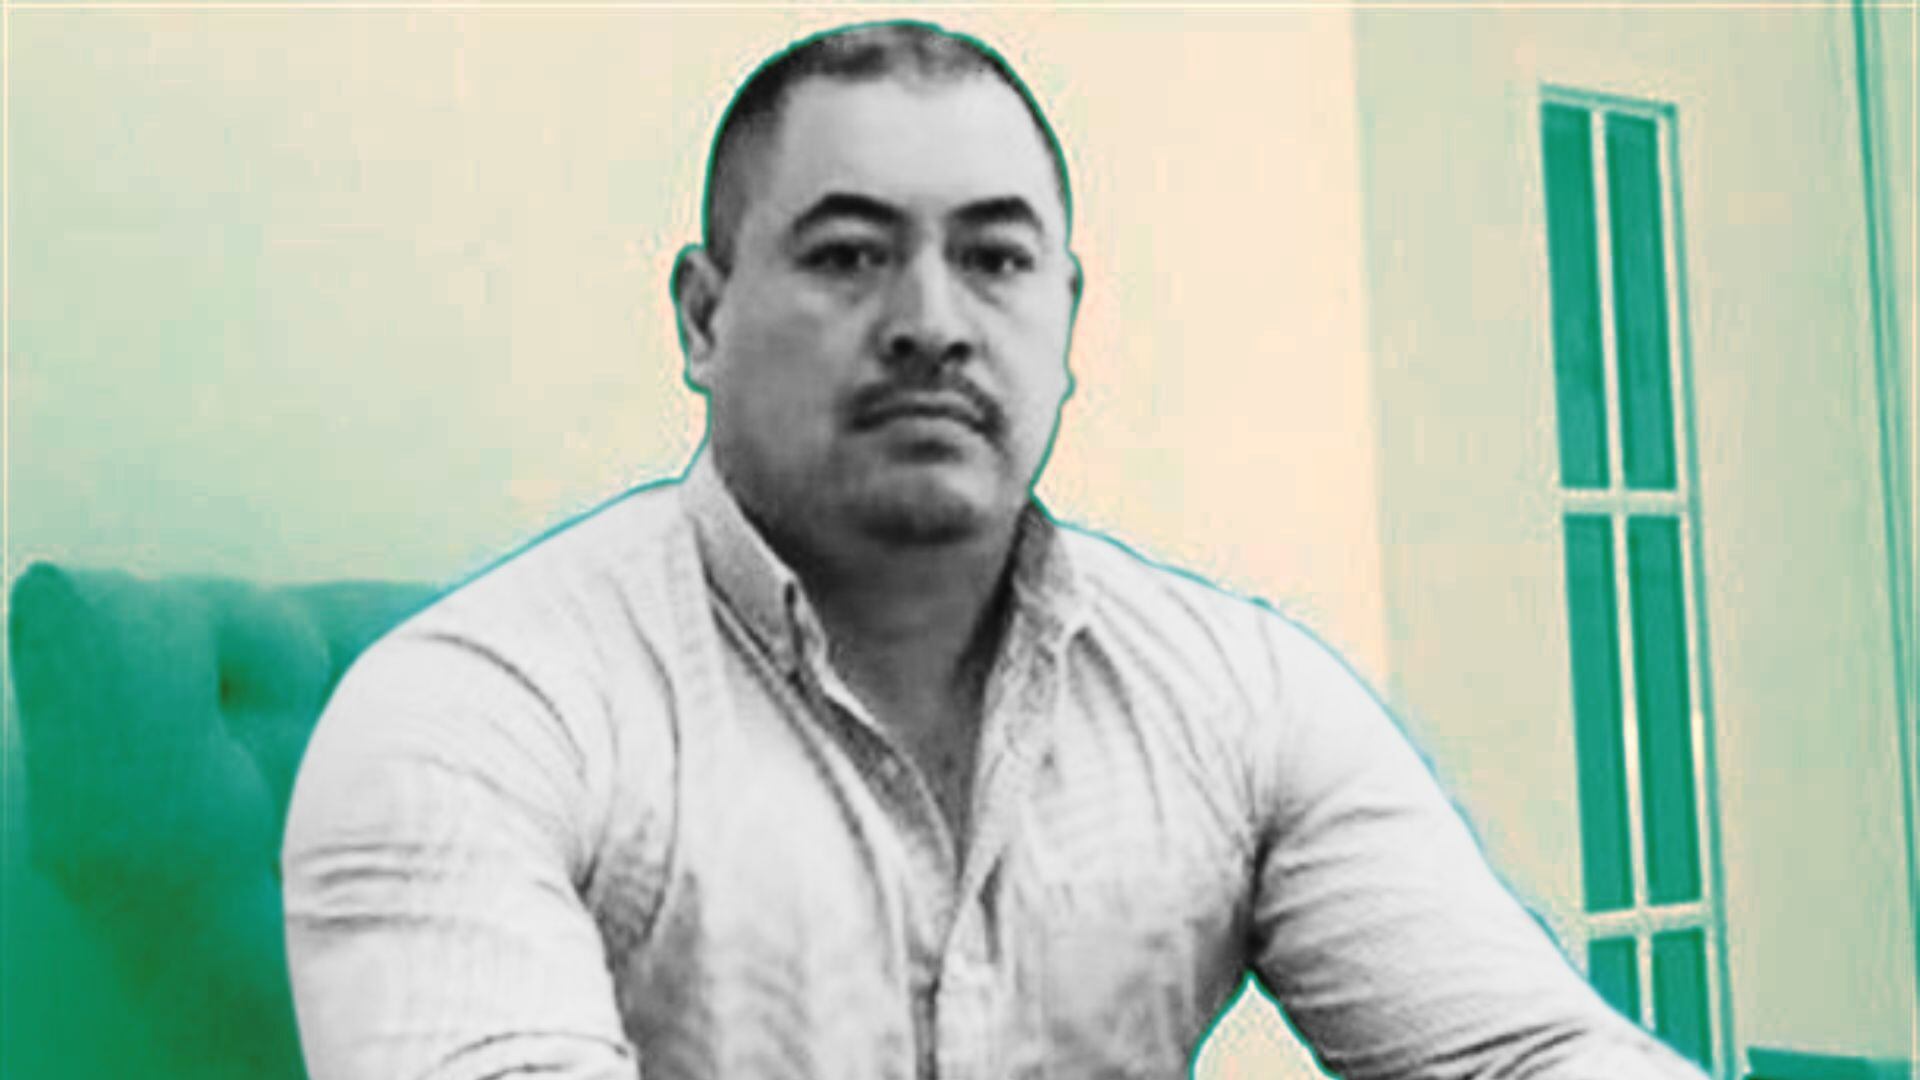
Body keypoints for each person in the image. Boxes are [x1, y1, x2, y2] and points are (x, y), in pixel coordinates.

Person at [281, 20, 1707, 1080]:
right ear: (704, 318)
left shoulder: (1240, 697)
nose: (931, 323)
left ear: (1066, 315)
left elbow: (1525, 1055)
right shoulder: (475, 713)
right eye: (849, 254)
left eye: (995, 259)